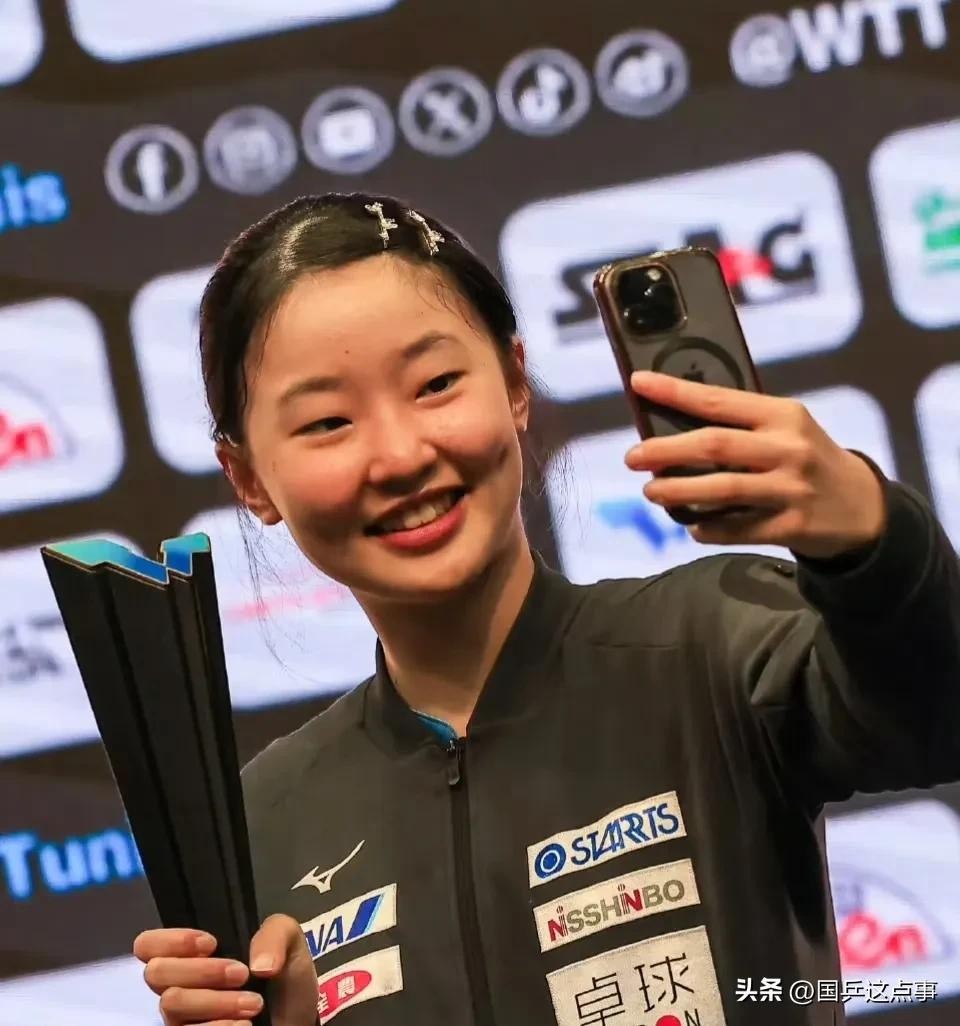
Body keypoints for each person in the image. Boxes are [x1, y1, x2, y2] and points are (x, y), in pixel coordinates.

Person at [133, 192, 960, 1026]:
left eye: (436, 384)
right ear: (248, 480)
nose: (400, 454)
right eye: (327, 422)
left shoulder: (713, 641)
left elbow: (933, 716)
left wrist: (870, 534)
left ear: (515, 384)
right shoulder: (260, 825)